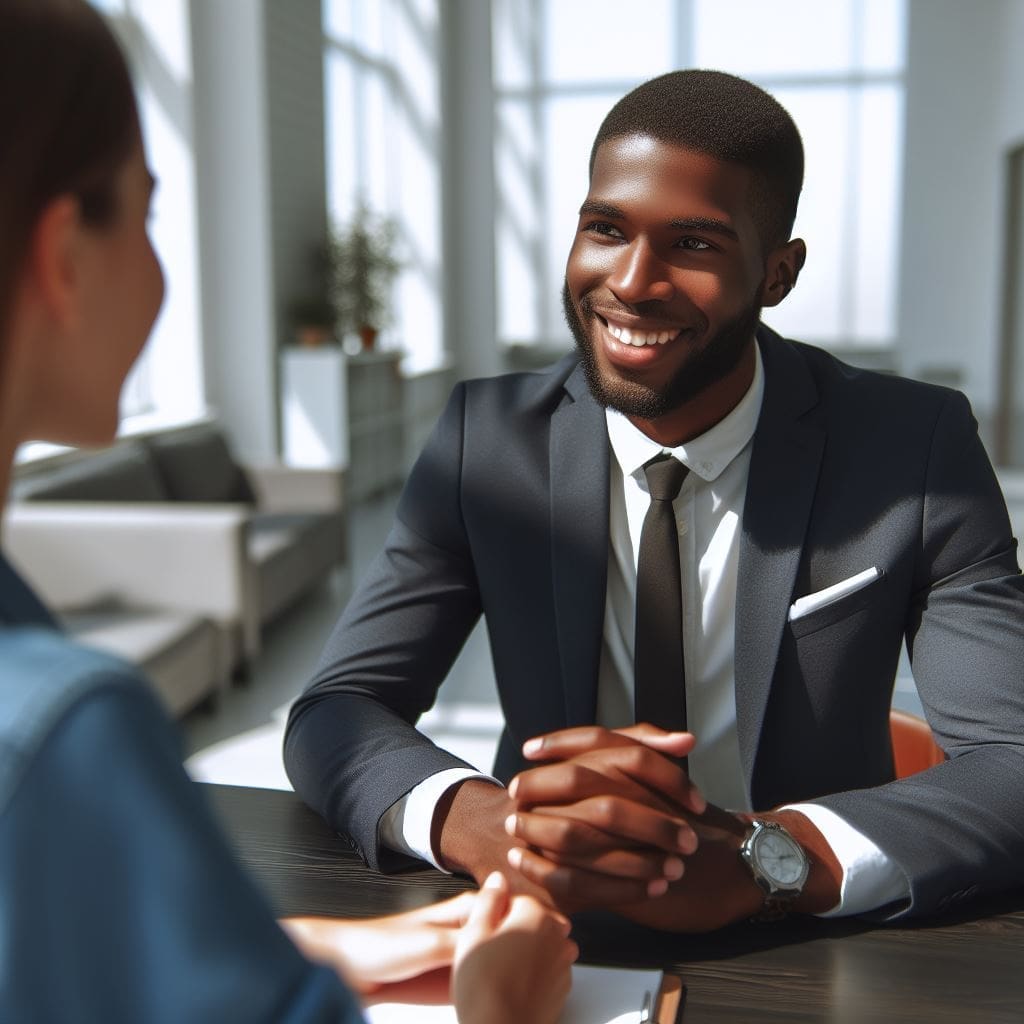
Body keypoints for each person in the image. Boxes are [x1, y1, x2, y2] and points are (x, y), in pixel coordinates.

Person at [285, 69, 1024, 932]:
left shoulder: (913, 448)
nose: (632, 283)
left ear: (778, 274)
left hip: (805, 935)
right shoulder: (483, 441)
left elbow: (1012, 758)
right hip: (549, 916)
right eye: (605, 229)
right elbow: (337, 708)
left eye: (695, 245)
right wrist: (493, 827)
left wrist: (764, 861)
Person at [0, 1, 576, 1021]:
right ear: (63, 256)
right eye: (146, 214)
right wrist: (502, 1005)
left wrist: (267, 951)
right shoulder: (61, 730)